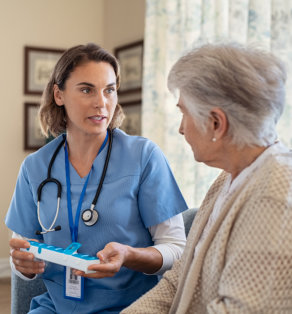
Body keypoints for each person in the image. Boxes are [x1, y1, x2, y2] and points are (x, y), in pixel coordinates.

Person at [5, 43, 188, 313]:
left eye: (109, 90)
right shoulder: (35, 167)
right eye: (86, 89)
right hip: (58, 307)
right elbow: (23, 249)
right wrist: (24, 265)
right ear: (59, 95)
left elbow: (176, 250)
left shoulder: (143, 157)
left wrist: (129, 255)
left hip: (132, 307)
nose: (101, 102)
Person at [122, 43, 292, 313]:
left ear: (216, 123)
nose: (180, 129)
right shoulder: (228, 179)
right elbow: (178, 280)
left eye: (184, 113)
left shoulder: (273, 195)